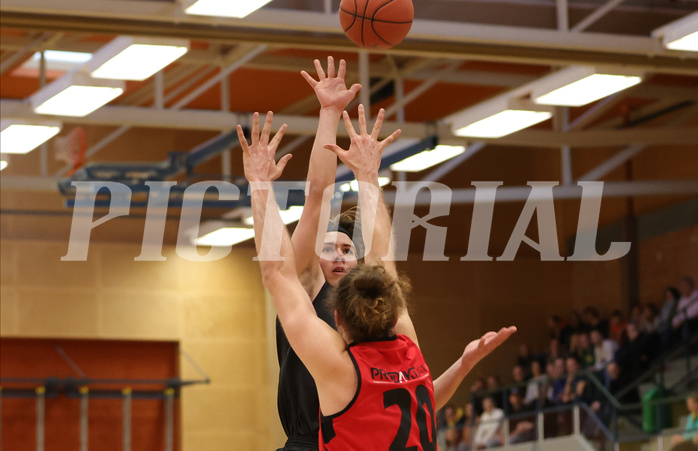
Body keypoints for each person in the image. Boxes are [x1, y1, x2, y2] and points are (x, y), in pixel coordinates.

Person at [239, 108, 516, 449]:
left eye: (347, 248)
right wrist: (368, 174)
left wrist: (260, 184)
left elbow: (276, 271)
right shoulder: (407, 352)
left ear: (339, 321)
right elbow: (379, 254)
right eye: (329, 248)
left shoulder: (340, 367)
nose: (338, 255)